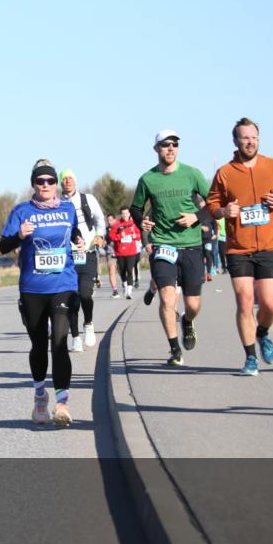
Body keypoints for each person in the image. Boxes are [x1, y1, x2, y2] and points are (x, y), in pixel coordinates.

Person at [0, 160, 85, 427]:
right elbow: (3, 245)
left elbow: (74, 232)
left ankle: (62, 403)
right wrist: (19, 237)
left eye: (50, 181)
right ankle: (40, 396)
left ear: (56, 184)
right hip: (32, 288)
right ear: (33, 185)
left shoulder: (68, 208)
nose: (46, 185)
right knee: (38, 344)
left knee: (59, 341)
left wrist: (79, 240)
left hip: (64, 284)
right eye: (40, 181)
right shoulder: (21, 211)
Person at [205, 117, 273, 377]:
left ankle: (262, 332)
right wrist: (223, 210)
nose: (250, 142)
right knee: (244, 301)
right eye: (245, 137)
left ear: (258, 139)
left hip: (268, 245)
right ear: (236, 141)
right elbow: (211, 206)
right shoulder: (225, 172)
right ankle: (250, 358)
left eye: (254, 137)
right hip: (238, 248)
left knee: (270, 304)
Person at [131, 129, 210, 366]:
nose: (171, 148)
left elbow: (214, 203)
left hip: (191, 245)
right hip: (164, 245)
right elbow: (135, 208)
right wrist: (140, 221)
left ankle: (187, 321)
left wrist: (196, 217)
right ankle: (175, 349)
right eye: (165, 145)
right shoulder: (148, 179)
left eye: (175, 144)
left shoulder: (192, 174)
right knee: (167, 299)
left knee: (193, 304)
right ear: (156, 149)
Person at [60, 169, 106, 351]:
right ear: (60, 183)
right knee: (71, 298)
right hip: (67, 256)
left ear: (75, 181)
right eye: (64, 179)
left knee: (85, 294)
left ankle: (88, 323)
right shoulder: (57, 203)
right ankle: (75, 336)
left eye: (70, 178)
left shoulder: (88, 199)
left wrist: (100, 235)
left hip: (87, 253)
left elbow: (100, 220)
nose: (67, 181)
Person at [108, 207, 142, 300]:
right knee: (122, 271)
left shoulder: (133, 224)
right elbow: (111, 236)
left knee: (129, 270)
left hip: (131, 251)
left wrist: (136, 236)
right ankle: (125, 285)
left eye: (126, 213)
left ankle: (129, 292)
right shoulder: (117, 225)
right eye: (123, 213)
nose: (125, 215)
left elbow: (140, 235)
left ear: (129, 214)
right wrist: (120, 236)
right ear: (121, 214)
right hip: (120, 252)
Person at [104, 214, 120, 298]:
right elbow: (104, 241)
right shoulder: (106, 230)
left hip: (121, 252)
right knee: (111, 271)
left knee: (122, 271)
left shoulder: (120, 227)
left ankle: (126, 285)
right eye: (108, 220)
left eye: (111, 220)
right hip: (110, 253)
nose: (109, 222)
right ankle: (115, 290)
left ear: (115, 220)